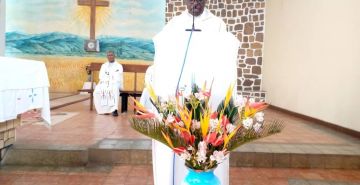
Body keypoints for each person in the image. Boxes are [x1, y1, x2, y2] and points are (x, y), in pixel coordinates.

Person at [148, 0, 239, 184]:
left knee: (208, 149)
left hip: (209, 102)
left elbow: (226, 61)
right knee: (173, 153)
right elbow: (163, 56)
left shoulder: (217, 25)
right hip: (179, 102)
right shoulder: (174, 25)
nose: (195, 2)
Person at [93, 51, 124, 116]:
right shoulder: (104, 65)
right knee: (97, 90)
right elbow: (101, 76)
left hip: (115, 82)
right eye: (109, 55)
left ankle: (114, 109)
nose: (110, 57)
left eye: (111, 55)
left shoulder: (119, 66)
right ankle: (104, 110)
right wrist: (107, 80)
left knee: (114, 89)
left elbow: (118, 76)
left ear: (114, 56)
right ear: (107, 57)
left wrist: (111, 80)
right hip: (105, 82)